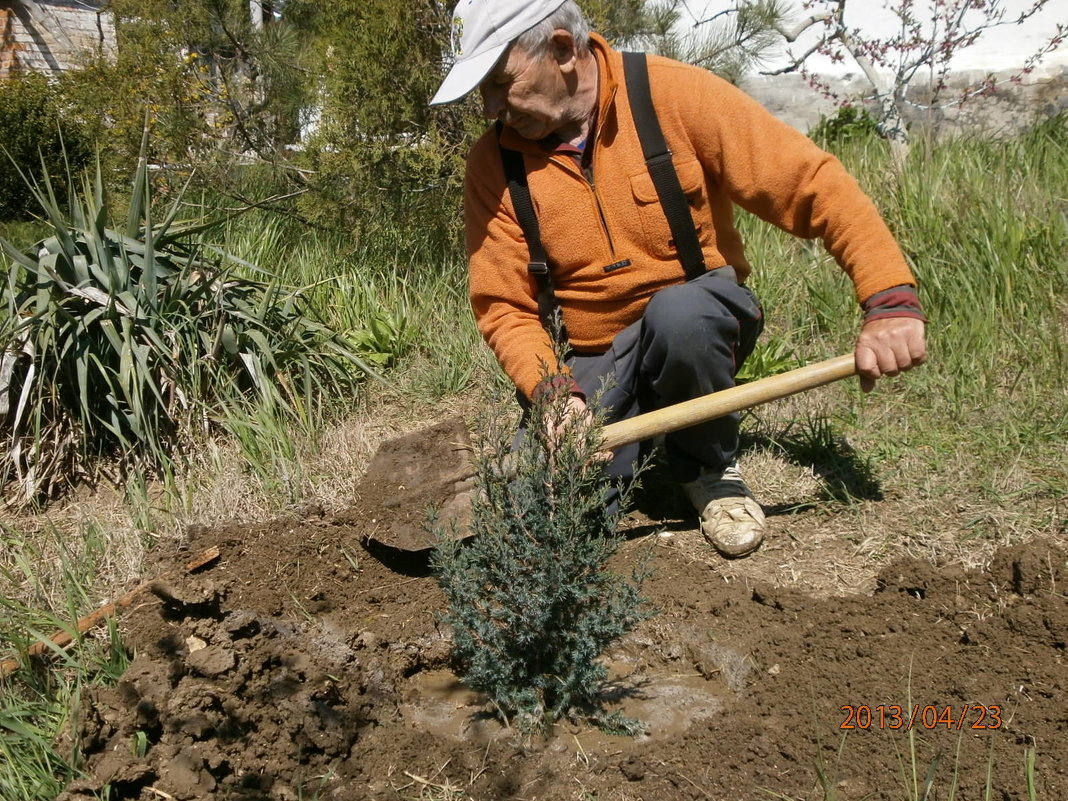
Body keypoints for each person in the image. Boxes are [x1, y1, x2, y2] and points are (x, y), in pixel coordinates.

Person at [429, 0, 926, 558]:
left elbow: (812, 185)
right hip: (596, 355)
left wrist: (889, 301)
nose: (491, 107)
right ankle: (627, 430)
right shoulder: (494, 164)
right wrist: (553, 396)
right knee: (545, 517)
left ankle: (710, 469)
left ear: (563, 51)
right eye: (483, 91)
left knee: (681, 318)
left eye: (501, 82)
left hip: (699, 319)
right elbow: (505, 306)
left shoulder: (674, 96)